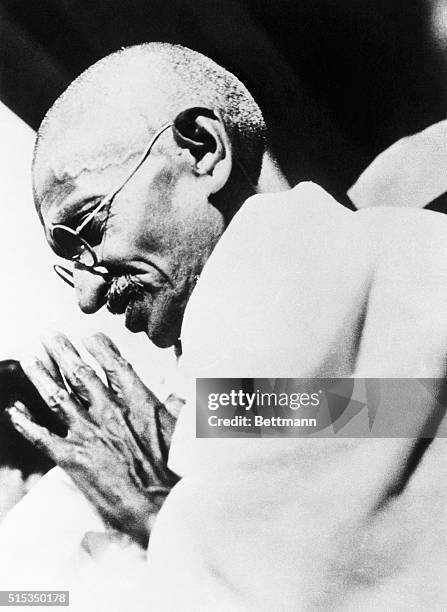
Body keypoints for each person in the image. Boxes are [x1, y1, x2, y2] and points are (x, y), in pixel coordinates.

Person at [3, 43, 447, 609]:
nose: (89, 296)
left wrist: (162, 520)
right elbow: (388, 411)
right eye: (68, 265)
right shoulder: (218, 400)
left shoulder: (386, 277)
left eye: (87, 227)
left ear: (203, 150)